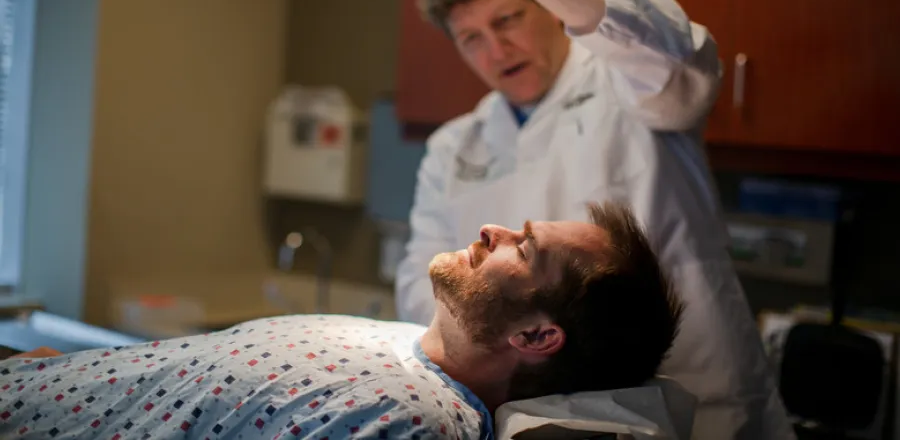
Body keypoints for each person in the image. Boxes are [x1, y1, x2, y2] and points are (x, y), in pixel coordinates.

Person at [394, 0, 797, 439]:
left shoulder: (632, 81)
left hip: (696, 394)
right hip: (532, 412)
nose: (497, 50)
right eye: (472, 38)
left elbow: (675, 44)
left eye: (508, 18)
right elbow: (420, 282)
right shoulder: (455, 146)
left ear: (548, 5)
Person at [0, 202, 683, 440]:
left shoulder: (405, 419)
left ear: (535, 337)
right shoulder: (399, 348)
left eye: (524, 247)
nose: (492, 229)